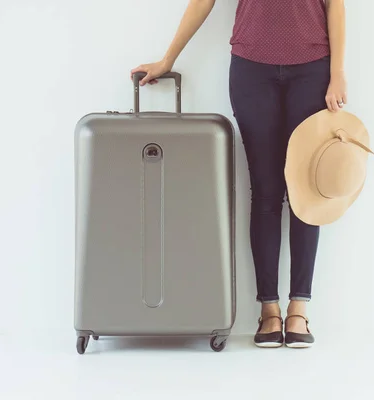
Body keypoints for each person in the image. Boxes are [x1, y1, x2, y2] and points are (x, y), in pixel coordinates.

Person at [131, 0, 347, 349]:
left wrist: (337, 73)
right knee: (264, 191)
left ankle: (299, 308)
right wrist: (168, 59)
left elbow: (335, 5)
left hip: (312, 69)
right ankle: (269, 309)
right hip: (251, 70)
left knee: (307, 190)